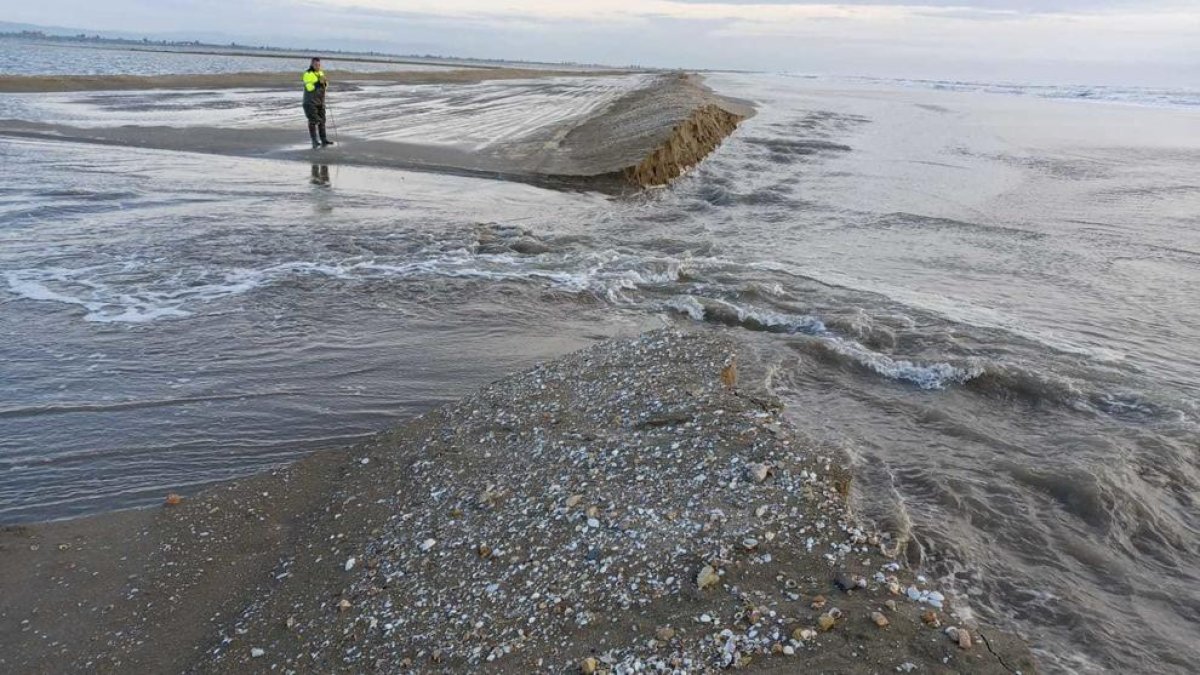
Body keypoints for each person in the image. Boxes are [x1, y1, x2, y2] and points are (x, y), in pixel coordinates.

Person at [302, 58, 333, 149]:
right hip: (310, 102)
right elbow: (309, 87)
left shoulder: (321, 73)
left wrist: (325, 82)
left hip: (320, 102)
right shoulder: (307, 74)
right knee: (314, 121)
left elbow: (325, 85)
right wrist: (318, 83)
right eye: (316, 65)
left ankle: (324, 140)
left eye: (319, 65)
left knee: (322, 121)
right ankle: (314, 141)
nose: (318, 66)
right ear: (312, 64)